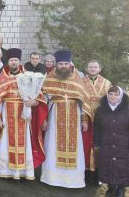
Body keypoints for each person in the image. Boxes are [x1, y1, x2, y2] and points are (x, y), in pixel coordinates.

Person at [0, 48, 47, 179]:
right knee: (5, 143)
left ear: (19, 61)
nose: (13, 62)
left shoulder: (28, 76)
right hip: (7, 116)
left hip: (25, 117)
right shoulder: (3, 78)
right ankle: (6, 171)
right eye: (11, 60)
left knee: (26, 144)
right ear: (8, 61)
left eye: (16, 60)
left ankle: (24, 172)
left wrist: (33, 102)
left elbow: (39, 97)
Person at [40, 50, 93, 188]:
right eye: (61, 64)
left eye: (66, 63)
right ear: (56, 65)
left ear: (70, 64)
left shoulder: (77, 79)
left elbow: (83, 101)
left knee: (75, 147)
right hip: (54, 117)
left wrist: (85, 120)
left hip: (74, 117)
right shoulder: (49, 78)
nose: (63, 66)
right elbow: (43, 101)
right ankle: (51, 178)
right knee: (52, 145)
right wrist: (44, 120)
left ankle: (73, 180)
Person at [94, 86, 129, 197]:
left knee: (122, 166)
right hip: (106, 143)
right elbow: (96, 128)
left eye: (116, 94)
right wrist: (97, 142)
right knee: (109, 165)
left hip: (124, 144)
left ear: (121, 96)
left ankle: (121, 188)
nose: (113, 97)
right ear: (107, 95)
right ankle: (111, 187)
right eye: (110, 94)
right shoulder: (100, 110)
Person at [82, 60, 112, 181]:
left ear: (99, 69)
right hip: (85, 116)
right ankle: (85, 171)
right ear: (86, 68)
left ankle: (98, 173)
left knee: (99, 144)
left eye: (95, 67)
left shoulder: (107, 83)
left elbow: (110, 101)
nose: (93, 69)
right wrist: (83, 118)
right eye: (90, 67)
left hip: (101, 118)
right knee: (85, 143)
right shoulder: (80, 81)